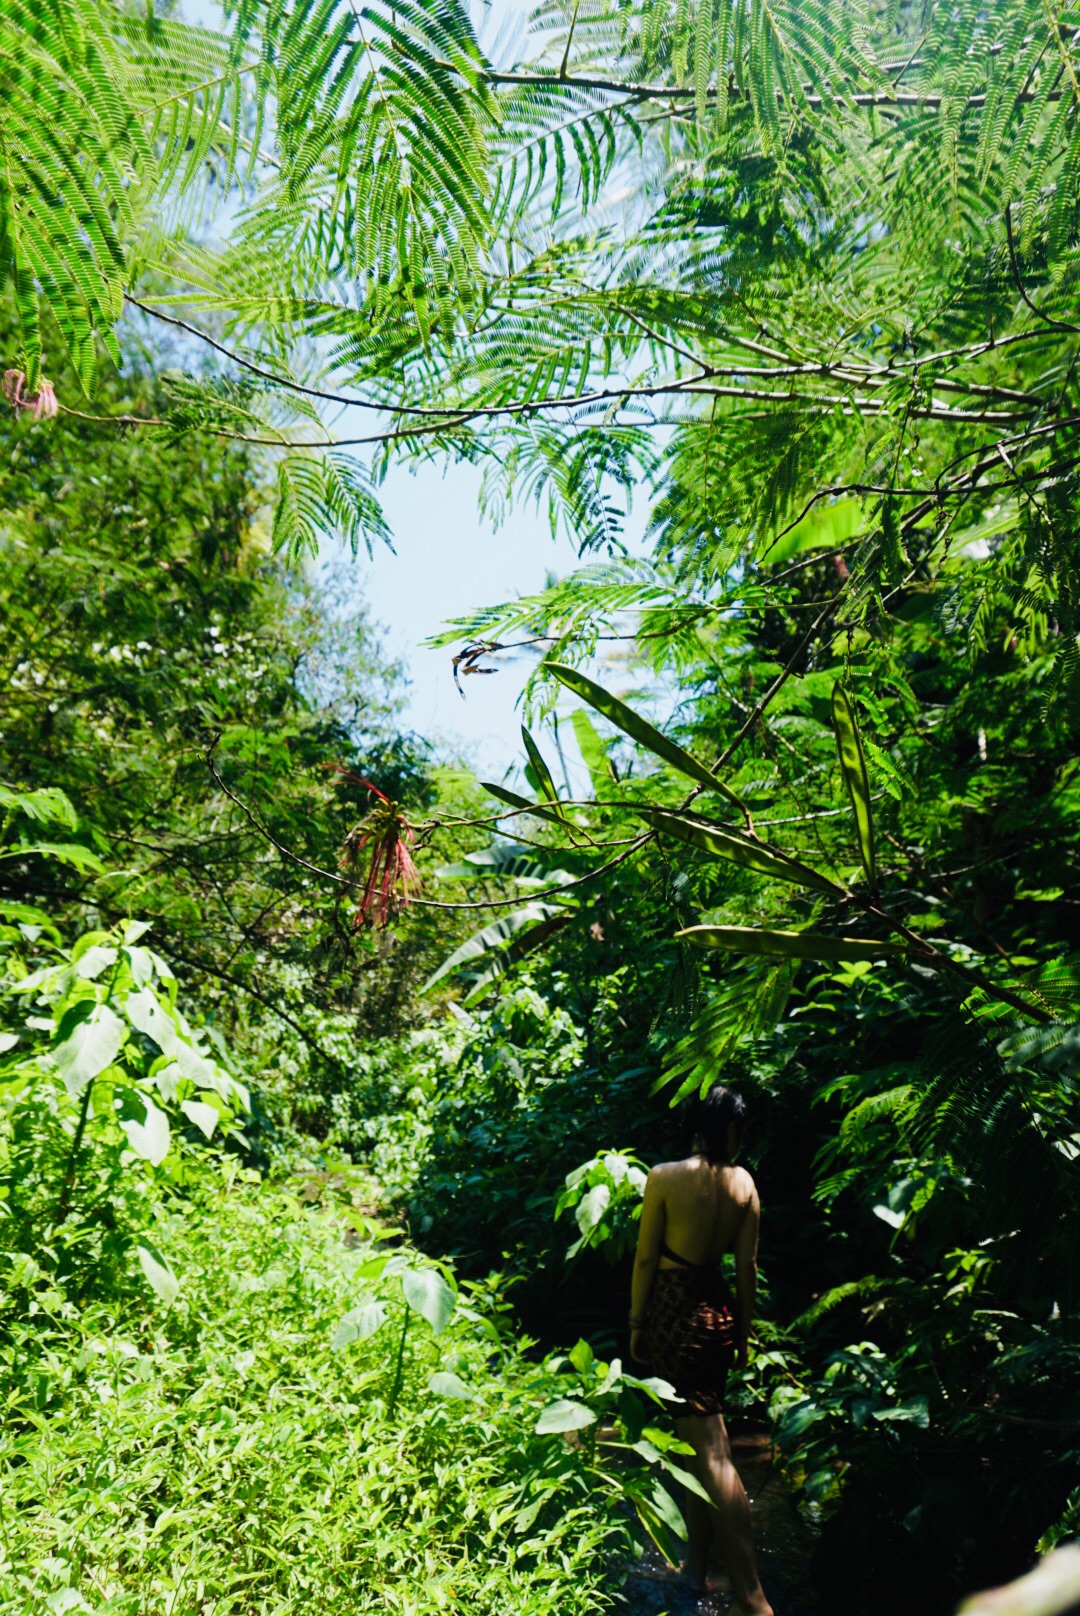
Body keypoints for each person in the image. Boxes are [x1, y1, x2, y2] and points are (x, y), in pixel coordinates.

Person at [628, 1083, 774, 1616]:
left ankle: (753, 1598)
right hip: (716, 1313)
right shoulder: (745, 1184)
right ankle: (695, 1570)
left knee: (712, 1453)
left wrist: (637, 1322)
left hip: (672, 1315)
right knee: (700, 1445)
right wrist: (742, 1332)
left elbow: (645, 1260)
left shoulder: (664, 1177)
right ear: (732, 1130)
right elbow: (746, 1269)